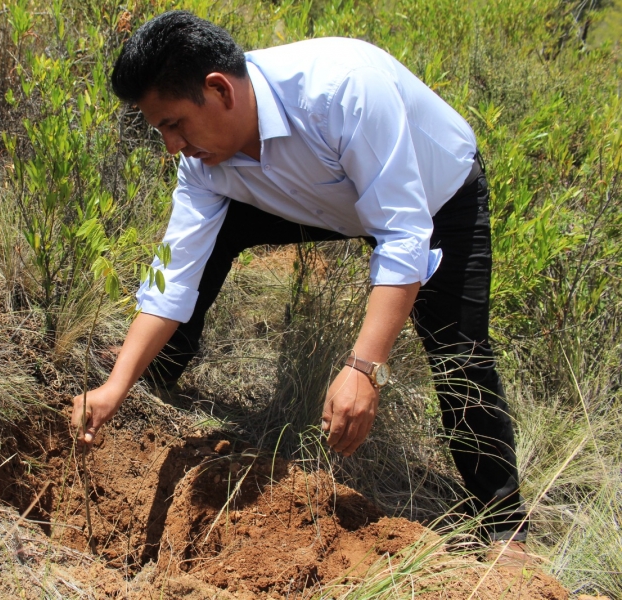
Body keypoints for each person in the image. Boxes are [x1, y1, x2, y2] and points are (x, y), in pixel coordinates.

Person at [71, 10, 530, 552]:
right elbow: (174, 271)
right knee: (211, 233)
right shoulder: (203, 160)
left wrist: (364, 368)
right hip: (310, 192)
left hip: (434, 195)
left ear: (219, 90)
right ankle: (159, 371)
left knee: (460, 349)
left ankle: (503, 525)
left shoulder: (341, 91)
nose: (172, 146)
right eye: (161, 130)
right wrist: (114, 386)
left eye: (174, 124)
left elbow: (403, 235)